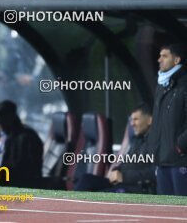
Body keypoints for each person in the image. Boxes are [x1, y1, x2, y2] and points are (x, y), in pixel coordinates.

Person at [74, 104, 155, 193]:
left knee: (99, 195)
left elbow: (153, 172)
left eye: (136, 119)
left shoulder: (156, 143)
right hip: (120, 182)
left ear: (149, 120)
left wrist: (124, 176)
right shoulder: (137, 140)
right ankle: (70, 204)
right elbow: (126, 162)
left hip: (136, 187)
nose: (132, 124)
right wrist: (116, 170)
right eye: (131, 120)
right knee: (86, 179)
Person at [148, 43, 187, 196]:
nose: (159, 60)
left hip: (180, 160)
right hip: (161, 160)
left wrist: (180, 146)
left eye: (164, 56)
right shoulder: (162, 86)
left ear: (176, 60)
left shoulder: (184, 85)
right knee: (165, 211)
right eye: (159, 56)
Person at [0, 100, 43, 187]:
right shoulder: (1, 135)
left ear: (12, 117)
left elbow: (25, 171)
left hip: (13, 184)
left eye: (2, 120)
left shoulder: (26, 138)